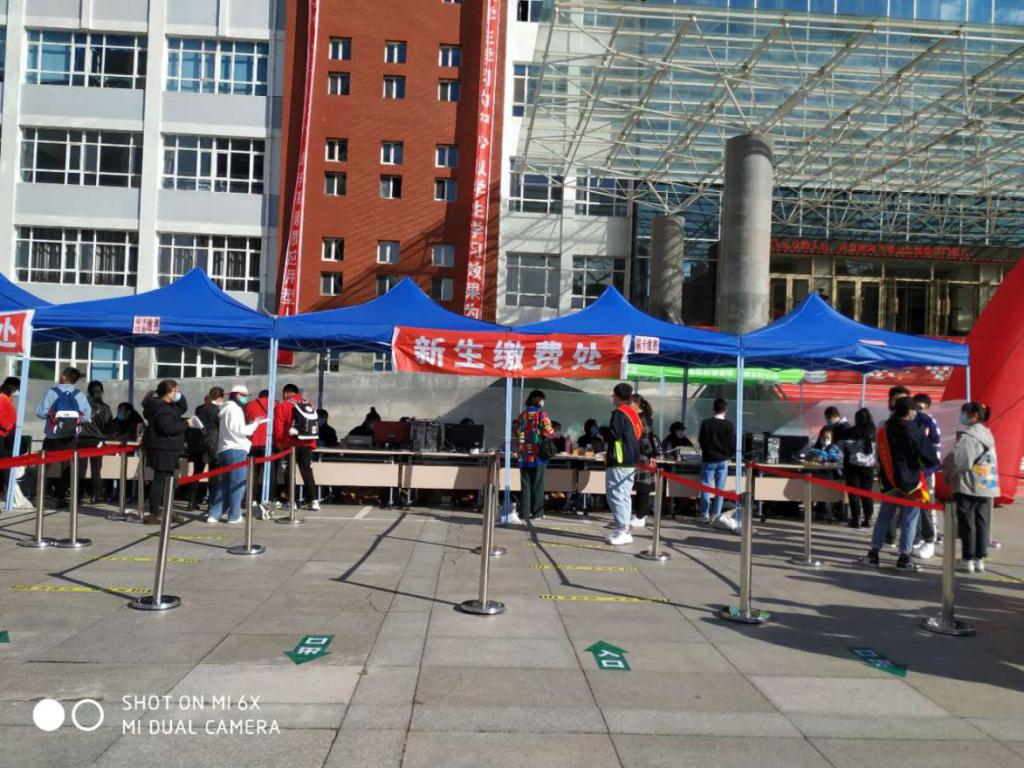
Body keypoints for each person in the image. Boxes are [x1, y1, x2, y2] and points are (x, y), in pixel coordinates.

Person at [863, 396, 940, 571]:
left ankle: (873, 553)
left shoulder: (884, 430)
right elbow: (933, 461)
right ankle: (904, 557)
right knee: (909, 521)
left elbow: (878, 458)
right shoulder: (915, 432)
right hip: (912, 484)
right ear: (910, 412)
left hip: (889, 482)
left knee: (884, 518)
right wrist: (924, 473)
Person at [943, 402, 1000, 574]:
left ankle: (967, 558)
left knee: (967, 522)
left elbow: (962, 462)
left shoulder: (969, 436)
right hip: (986, 483)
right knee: (981, 521)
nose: (961, 416)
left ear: (974, 415)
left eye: (964, 413)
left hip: (969, 483)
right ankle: (979, 558)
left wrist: (949, 474)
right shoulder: (987, 433)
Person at [209, 385, 266, 524]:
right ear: (238, 395)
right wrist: (256, 424)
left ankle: (214, 514)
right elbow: (241, 430)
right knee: (238, 484)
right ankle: (234, 515)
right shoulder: (235, 409)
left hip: (224, 449)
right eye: (245, 395)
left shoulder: (224, 408)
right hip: (237, 448)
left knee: (224, 483)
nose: (246, 398)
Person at [35, 367, 91, 508]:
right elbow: (87, 417)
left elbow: (40, 412)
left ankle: (40, 495)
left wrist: (55, 418)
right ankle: (60, 497)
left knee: (45, 465)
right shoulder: (79, 395)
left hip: (52, 436)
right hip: (70, 437)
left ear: (65, 377)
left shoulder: (52, 392)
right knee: (67, 468)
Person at [142, 379, 188, 526]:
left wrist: (180, 396)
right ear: (168, 392)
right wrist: (186, 424)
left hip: (169, 448)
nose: (177, 393)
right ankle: (154, 513)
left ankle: (167, 509)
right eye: (175, 391)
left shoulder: (167, 406)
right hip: (163, 448)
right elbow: (168, 428)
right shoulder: (162, 408)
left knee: (169, 481)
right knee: (160, 480)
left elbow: (182, 408)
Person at [604, 383, 642, 546]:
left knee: (616, 495)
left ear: (618, 396)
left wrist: (602, 430)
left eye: (614, 395)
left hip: (619, 460)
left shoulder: (620, 413)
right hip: (631, 460)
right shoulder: (633, 413)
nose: (612, 397)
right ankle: (624, 529)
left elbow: (614, 434)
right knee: (624, 496)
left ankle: (622, 530)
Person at [273, 383, 319, 510]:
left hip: (290, 443)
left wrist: (279, 443)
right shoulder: (307, 403)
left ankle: (292, 501)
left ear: (285, 393)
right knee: (307, 472)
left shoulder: (283, 405)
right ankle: (314, 500)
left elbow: (278, 426)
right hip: (307, 442)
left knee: (289, 472)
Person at [513, 389, 555, 523]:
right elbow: (549, 432)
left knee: (525, 484)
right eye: (543, 399)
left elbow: (515, 431)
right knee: (538, 484)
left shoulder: (522, 416)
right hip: (538, 455)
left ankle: (525, 512)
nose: (543, 402)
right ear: (538, 400)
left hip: (523, 454)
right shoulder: (542, 415)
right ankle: (537, 513)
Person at [911, 393, 942, 560]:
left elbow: (936, 448)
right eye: (915, 406)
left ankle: (929, 540)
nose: (917, 410)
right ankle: (916, 538)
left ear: (927, 407)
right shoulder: (910, 421)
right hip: (911, 472)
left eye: (920, 407)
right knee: (912, 505)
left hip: (925, 472)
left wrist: (928, 471)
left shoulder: (929, 422)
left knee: (926, 505)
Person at [698, 398, 736, 530]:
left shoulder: (706, 423)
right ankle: (716, 515)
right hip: (723, 460)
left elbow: (701, 440)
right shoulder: (729, 425)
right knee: (719, 489)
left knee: (706, 487)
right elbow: (732, 443)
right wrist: (729, 455)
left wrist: (706, 451)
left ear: (713, 409)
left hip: (708, 459)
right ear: (725, 410)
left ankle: (704, 514)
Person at [76, 381, 113, 505]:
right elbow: (109, 425)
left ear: (88, 391)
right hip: (98, 441)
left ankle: (78, 495)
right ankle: (95, 495)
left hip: (82, 439)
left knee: (81, 469)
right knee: (96, 469)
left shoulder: (82, 406)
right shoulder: (105, 408)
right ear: (101, 391)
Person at [839, 408, 877, 529]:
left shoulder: (850, 432)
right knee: (867, 492)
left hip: (852, 466)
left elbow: (842, 448)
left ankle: (855, 519)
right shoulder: (874, 432)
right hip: (868, 467)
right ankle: (868, 519)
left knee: (854, 493)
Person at [190, 388, 225, 511]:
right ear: (220, 398)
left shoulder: (200, 409)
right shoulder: (218, 410)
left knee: (196, 473)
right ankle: (211, 503)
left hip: (199, 444)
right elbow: (219, 427)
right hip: (213, 445)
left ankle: (191, 502)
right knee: (214, 475)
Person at [629, 395, 659, 528]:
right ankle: (640, 515)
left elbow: (645, 439)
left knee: (643, 488)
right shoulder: (644, 417)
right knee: (641, 487)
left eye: (630, 403)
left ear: (636, 404)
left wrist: (649, 453)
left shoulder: (641, 418)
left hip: (643, 456)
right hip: (644, 455)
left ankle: (641, 516)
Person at [244, 389, 272, 512]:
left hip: (252, 442)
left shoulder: (249, 405)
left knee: (252, 473)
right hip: (269, 443)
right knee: (269, 474)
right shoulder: (274, 404)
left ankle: (252, 499)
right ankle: (268, 499)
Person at [810, 425, 843, 523]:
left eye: (828, 438)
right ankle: (820, 509)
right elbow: (808, 457)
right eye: (823, 438)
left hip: (832, 475)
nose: (825, 440)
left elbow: (840, 459)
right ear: (820, 437)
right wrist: (815, 458)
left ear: (831, 438)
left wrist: (832, 458)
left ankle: (830, 511)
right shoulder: (815, 447)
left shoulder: (835, 448)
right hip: (817, 475)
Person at [0, 377, 19, 496]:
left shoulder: (6, 398)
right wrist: (9, 427)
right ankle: (7, 490)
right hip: (3, 435)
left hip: (6, 435)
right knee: (5, 463)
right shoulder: (3, 398)